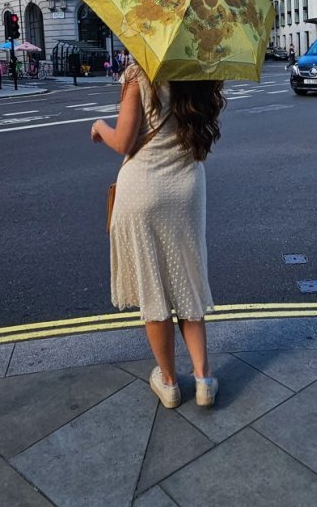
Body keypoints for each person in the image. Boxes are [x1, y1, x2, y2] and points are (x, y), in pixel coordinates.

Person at [91, 63, 226, 409]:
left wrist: (99, 128)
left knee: (153, 287)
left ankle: (168, 383)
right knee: (187, 281)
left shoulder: (140, 74)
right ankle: (203, 379)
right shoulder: (201, 69)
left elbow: (123, 141)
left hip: (143, 189)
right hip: (186, 188)